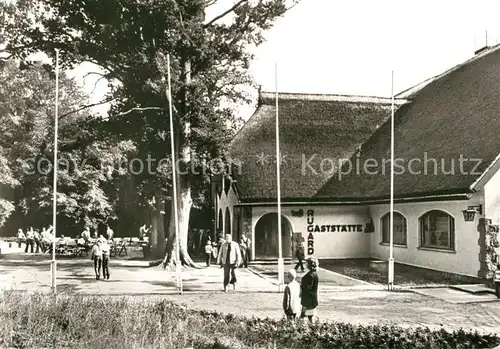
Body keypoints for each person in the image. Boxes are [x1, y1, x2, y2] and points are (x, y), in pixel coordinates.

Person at [300, 257, 319, 323]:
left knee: (307, 318)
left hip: (308, 301)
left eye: (306, 264)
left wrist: (304, 304)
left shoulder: (308, 276)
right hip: (313, 300)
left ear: (308, 265)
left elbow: (307, 290)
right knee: (310, 317)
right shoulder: (315, 274)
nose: (304, 265)